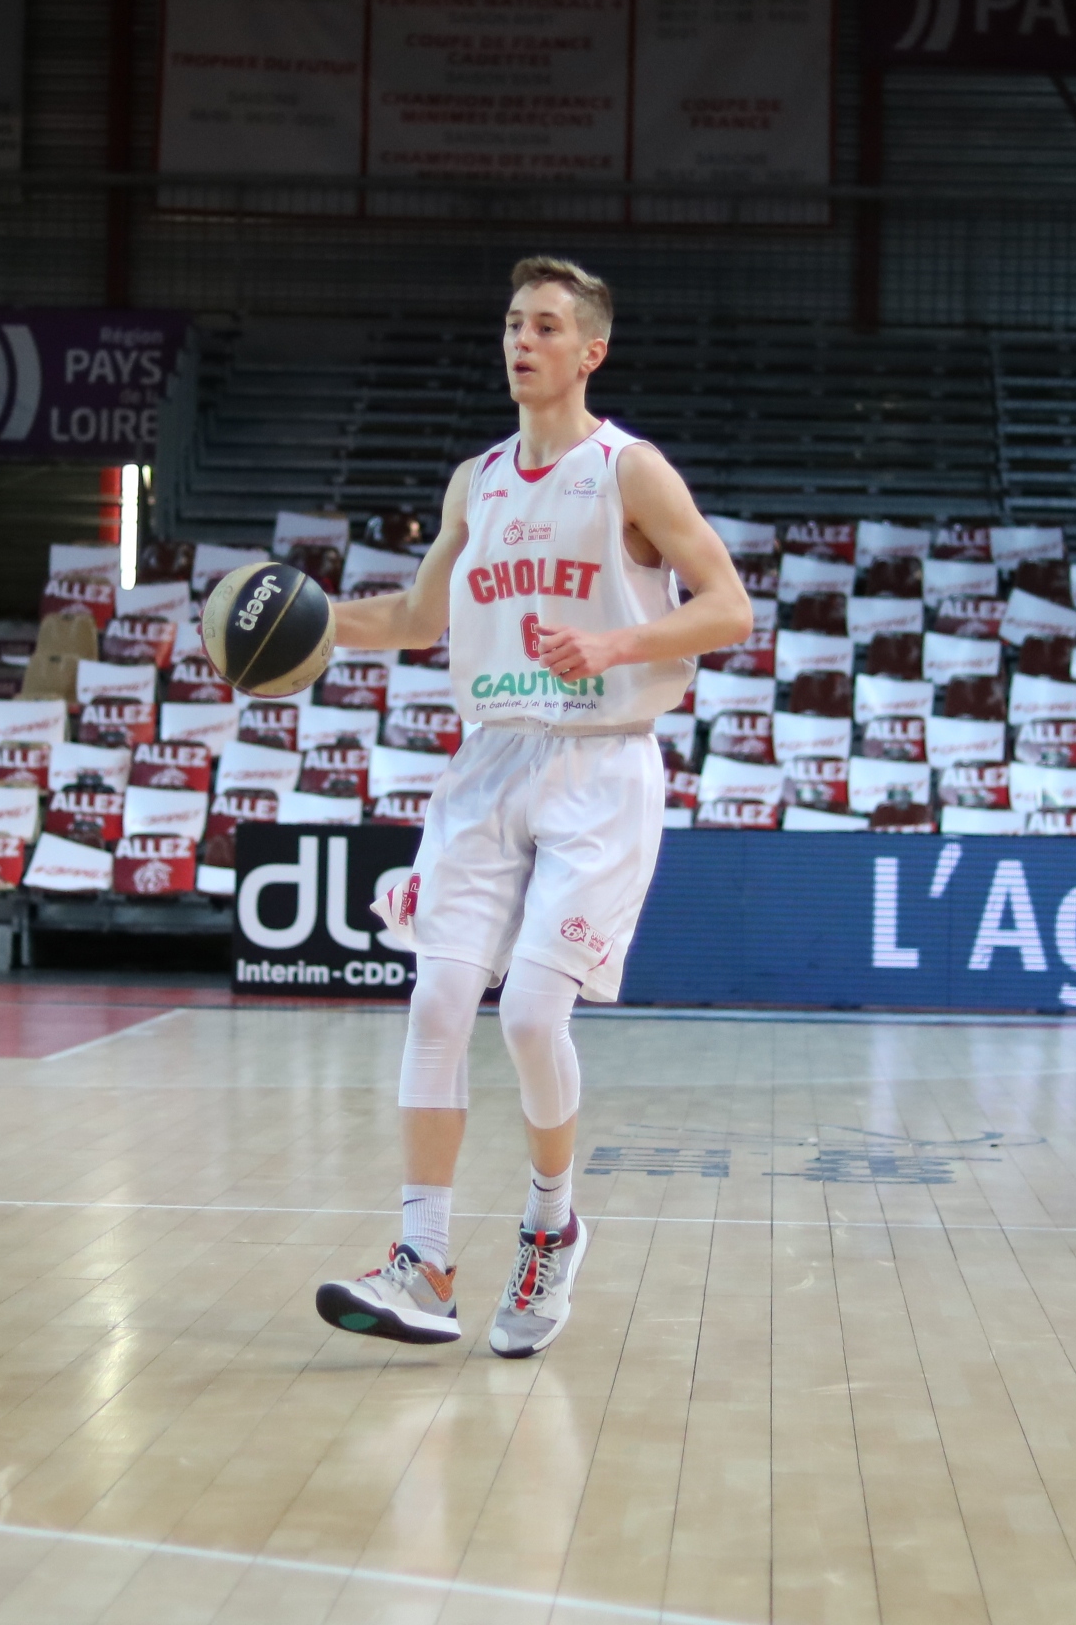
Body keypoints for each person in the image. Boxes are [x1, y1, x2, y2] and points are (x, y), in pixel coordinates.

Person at [310, 257, 751, 1357]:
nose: (524, 340)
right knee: (438, 1000)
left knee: (528, 1015)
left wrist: (618, 641)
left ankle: (551, 1225)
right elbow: (417, 614)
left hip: (602, 765)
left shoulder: (629, 471)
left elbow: (731, 608)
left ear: (589, 350)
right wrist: (307, 621)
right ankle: (422, 1262)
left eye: (547, 326)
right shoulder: (478, 481)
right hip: (489, 759)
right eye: (513, 322)